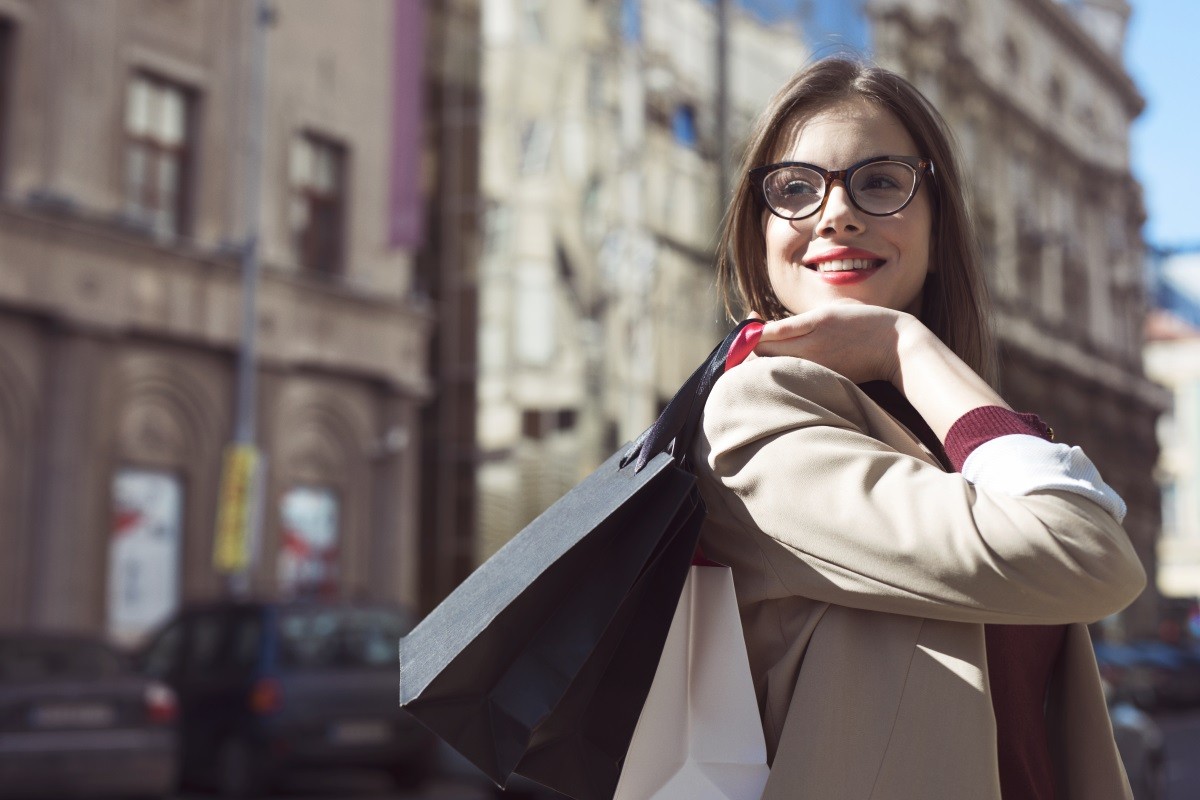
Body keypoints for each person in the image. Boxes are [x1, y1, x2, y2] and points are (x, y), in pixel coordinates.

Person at [692, 57, 1145, 800]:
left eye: (879, 182)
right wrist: (903, 342)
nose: (834, 212)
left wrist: (914, 363)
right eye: (796, 188)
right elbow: (1088, 549)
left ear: (938, 227)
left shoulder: (946, 431)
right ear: (760, 234)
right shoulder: (755, 414)